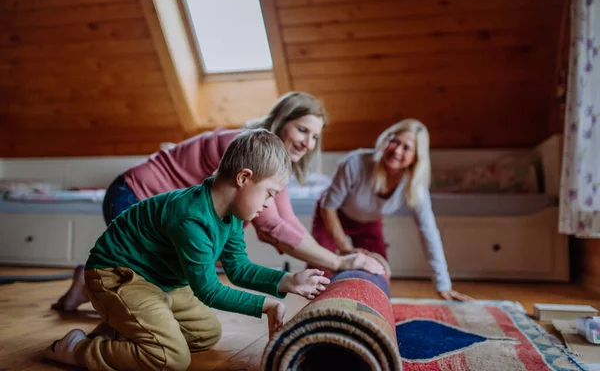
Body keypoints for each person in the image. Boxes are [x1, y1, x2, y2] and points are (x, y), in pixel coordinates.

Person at [52, 91, 384, 311]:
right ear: (282, 121)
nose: (309, 143)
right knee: (150, 279)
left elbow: (287, 222)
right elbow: (272, 228)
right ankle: (102, 292)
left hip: (172, 211)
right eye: (302, 130)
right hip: (133, 194)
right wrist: (340, 263)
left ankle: (91, 287)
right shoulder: (246, 149)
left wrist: (340, 257)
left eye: (316, 136)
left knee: (170, 281)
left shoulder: (270, 160)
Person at [43, 129, 331, 370]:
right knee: (171, 358)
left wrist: (288, 281)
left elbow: (238, 268)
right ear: (243, 178)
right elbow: (209, 291)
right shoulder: (191, 217)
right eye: (269, 193)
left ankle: (120, 328)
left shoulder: (230, 216)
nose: (269, 204)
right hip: (117, 275)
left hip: (162, 282)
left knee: (206, 333)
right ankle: (77, 349)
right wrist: (266, 305)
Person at [311, 119, 473, 301]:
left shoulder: (414, 186)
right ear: (385, 141)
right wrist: (346, 249)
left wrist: (443, 284)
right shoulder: (355, 162)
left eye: (407, 148)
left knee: (378, 271)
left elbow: (428, 232)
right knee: (320, 269)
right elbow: (329, 206)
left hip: (369, 222)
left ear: (416, 157)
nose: (397, 150)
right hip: (332, 215)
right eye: (394, 141)